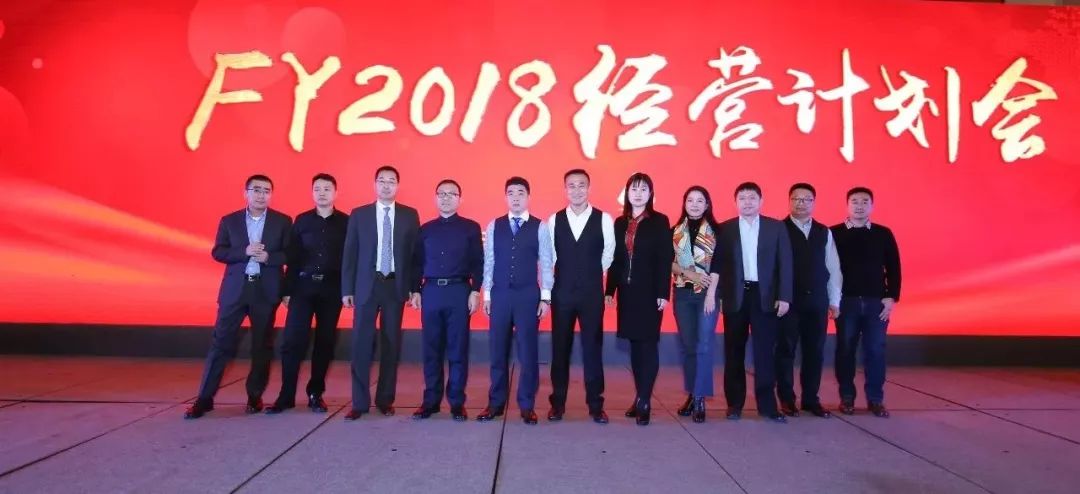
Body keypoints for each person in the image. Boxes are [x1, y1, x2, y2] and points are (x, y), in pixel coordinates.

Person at [185, 174, 292, 419]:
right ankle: (204, 399)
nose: (261, 195)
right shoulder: (230, 221)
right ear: (246, 193)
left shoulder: (282, 221)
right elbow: (218, 252)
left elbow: (290, 254)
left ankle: (255, 396)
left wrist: (269, 257)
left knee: (261, 346)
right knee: (220, 343)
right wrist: (244, 252)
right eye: (256, 190)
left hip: (265, 291)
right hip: (235, 291)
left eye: (266, 191)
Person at [706, 182, 793, 423]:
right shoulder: (725, 229)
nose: (747, 202)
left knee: (765, 352)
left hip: (765, 297)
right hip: (735, 296)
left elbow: (785, 264)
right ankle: (734, 404)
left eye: (752, 197)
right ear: (735, 202)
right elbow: (718, 265)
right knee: (734, 350)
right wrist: (718, 295)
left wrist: (785, 296)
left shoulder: (776, 227)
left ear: (761, 201)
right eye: (742, 198)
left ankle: (768, 405)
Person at [341, 166, 421, 420]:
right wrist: (347, 289)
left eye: (391, 181)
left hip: (394, 286)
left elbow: (414, 256)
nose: (386, 185)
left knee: (391, 343)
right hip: (366, 286)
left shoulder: (409, 215)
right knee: (361, 343)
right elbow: (350, 254)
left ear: (398, 185)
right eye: (382, 181)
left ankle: (385, 399)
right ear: (375, 184)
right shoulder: (359, 214)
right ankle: (359, 402)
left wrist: (414, 288)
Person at [266, 173, 349, 415]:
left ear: (336, 193)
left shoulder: (346, 222)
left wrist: (348, 290)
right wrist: (287, 290)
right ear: (312, 193)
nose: (322, 193)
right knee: (292, 341)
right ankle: (286, 395)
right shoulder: (301, 221)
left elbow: (350, 260)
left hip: (332, 289)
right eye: (317, 189)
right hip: (302, 288)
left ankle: (315, 393)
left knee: (325, 342)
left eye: (326, 189)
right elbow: (292, 258)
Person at [477, 177, 553, 425]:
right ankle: (495, 403)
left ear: (528, 197)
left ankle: (527, 405)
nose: (516, 197)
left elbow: (546, 263)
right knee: (497, 351)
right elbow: (489, 262)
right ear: (505, 197)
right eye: (511, 193)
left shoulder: (540, 227)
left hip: (528, 295)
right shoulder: (494, 225)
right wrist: (487, 295)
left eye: (521, 193)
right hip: (500, 295)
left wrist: (545, 298)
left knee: (528, 352)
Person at [409, 179, 483, 422]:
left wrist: (475, 290)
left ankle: (457, 403)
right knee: (431, 349)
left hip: (459, 291)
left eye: (451, 194)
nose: (446, 198)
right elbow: (416, 263)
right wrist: (415, 290)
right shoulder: (425, 229)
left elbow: (478, 262)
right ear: (435, 198)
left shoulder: (471, 228)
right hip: (431, 291)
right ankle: (430, 401)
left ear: (460, 199)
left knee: (457, 349)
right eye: (441, 193)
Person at [547, 169, 615, 424]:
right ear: (565, 189)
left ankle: (596, 405)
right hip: (562, 293)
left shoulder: (604, 219)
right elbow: (551, 257)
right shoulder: (554, 220)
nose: (576, 190)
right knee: (560, 348)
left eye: (581, 185)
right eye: (571, 186)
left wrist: (591, 273)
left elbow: (608, 253)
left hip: (591, 294)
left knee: (593, 349)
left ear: (589, 188)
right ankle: (557, 404)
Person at [606, 173, 673, 426]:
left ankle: (645, 400)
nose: (638, 193)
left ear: (651, 194)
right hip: (628, 292)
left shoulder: (659, 221)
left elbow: (664, 259)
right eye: (633, 189)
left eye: (643, 189)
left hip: (650, 293)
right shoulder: (619, 222)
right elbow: (615, 259)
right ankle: (639, 396)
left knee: (648, 345)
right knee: (634, 346)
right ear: (627, 193)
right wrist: (610, 290)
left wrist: (663, 293)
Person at [831, 186, 901, 418]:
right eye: (854, 201)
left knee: (875, 350)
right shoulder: (834, 233)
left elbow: (893, 267)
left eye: (864, 202)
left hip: (875, 303)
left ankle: (875, 399)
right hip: (846, 302)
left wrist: (891, 297)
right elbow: (827, 269)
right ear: (847, 205)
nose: (859, 206)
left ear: (871, 205)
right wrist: (832, 300)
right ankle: (847, 397)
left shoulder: (883, 233)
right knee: (845, 349)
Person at [774, 182, 842, 419]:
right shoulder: (778, 229)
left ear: (814, 202)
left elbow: (833, 268)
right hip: (788, 302)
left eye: (806, 199)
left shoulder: (824, 232)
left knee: (815, 352)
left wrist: (835, 300)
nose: (801, 203)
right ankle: (786, 398)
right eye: (796, 199)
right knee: (785, 350)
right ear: (789, 201)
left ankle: (811, 399)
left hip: (817, 302)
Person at [670, 186, 721, 423]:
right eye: (690, 200)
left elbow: (720, 264)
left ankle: (700, 398)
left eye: (700, 200)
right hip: (682, 294)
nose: (695, 204)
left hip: (707, 296)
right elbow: (668, 262)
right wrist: (689, 274)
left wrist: (711, 294)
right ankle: (692, 393)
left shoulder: (718, 231)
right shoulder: (674, 231)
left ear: (707, 204)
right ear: (684, 203)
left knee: (704, 345)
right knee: (689, 346)